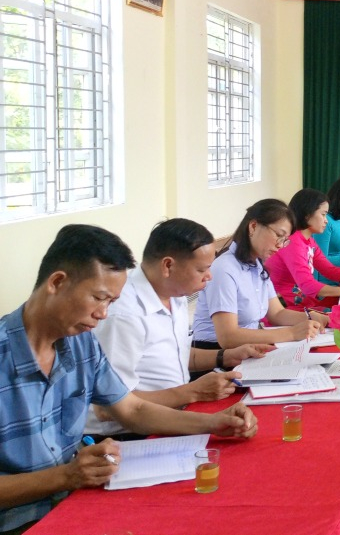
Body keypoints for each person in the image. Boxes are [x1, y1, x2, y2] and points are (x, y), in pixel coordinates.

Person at [0, 225, 257, 534]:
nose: (104, 314)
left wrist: (215, 423)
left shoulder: (82, 344)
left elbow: (131, 409)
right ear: (57, 282)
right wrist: (66, 477)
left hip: (76, 502)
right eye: (99, 298)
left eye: (111, 302)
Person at [85, 219, 275, 439]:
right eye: (202, 269)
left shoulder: (175, 295)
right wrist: (192, 392)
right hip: (128, 435)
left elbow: (177, 354)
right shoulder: (124, 315)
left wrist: (225, 356)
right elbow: (108, 408)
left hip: (173, 415)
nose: (209, 277)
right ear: (168, 266)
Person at [190, 199, 327, 350]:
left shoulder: (258, 266)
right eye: (278, 235)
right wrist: (291, 333)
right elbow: (228, 337)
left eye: (285, 240)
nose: (280, 245)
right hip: (216, 355)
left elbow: (277, 313)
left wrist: (312, 317)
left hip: (247, 350)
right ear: (253, 226)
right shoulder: (224, 269)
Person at [265, 189, 340, 309]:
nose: (326, 220)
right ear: (307, 214)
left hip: (302, 304)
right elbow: (307, 285)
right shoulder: (293, 243)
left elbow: (328, 269)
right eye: (323, 214)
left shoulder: (308, 240)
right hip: (285, 308)